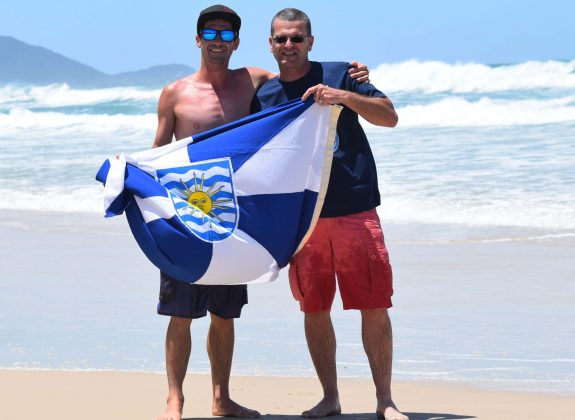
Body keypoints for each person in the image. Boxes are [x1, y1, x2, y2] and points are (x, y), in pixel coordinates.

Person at [152, 5, 370, 420]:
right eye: (210, 35)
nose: (218, 42)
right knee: (181, 313)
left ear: (236, 42)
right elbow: (159, 152)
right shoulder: (174, 93)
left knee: (224, 312)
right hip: (186, 211)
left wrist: (350, 72)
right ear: (198, 40)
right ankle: (174, 399)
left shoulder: (253, 81)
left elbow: (298, 74)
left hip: (232, 216)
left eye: (225, 35)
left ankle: (221, 398)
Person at [251, 8, 407, 420]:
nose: (289, 46)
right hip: (302, 220)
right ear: (270, 44)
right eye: (281, 39)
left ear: (310, 42)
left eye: (297, 38)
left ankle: (385, 401)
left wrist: (342, 97)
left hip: (355, 207)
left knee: (374, 304)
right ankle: (329, 398)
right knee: (314, 308)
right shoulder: (264, 97)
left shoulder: (340, 74)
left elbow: (389, 116)